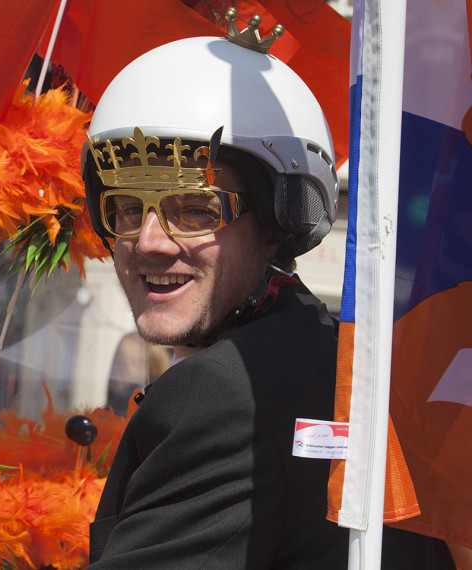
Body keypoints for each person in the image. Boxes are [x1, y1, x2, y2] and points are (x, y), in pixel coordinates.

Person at [81, 22, 455, 569]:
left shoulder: (222, 395)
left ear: (277, 225)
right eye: (127, 208)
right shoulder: (329, 363)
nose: (150, 242)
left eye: (196, 209)